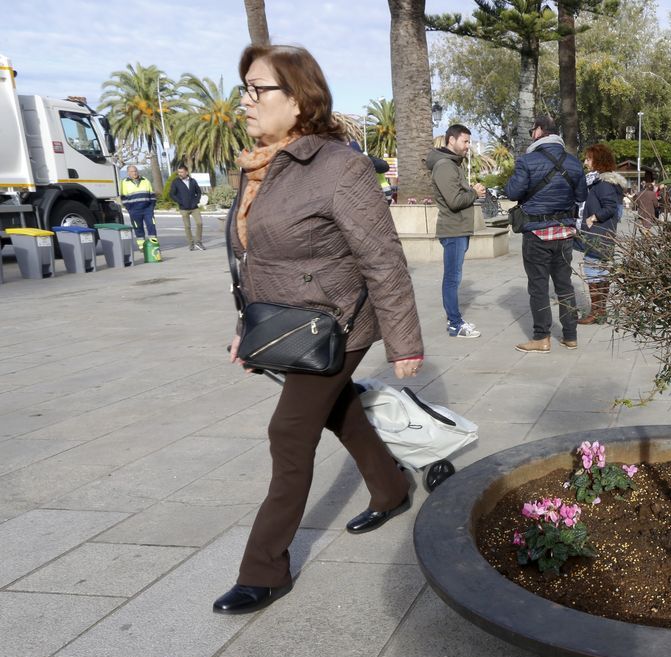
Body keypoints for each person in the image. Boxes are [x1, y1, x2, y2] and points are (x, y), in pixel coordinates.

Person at [215, 44, 424, 615]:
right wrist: (248, 330)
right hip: (287, 326)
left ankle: (265, 568)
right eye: (245, 90)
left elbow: (383, 258)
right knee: (338, 409)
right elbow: (253, 263)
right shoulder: (260, 166)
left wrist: (405, 342)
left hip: (337, 327)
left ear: (300, 99)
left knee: (289, 432)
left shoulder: (339, 167)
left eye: (260, 90)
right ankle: (391, 488)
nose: (247, 102)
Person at [505, 116, 587, 354]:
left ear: (539, 131)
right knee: (564, 285)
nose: (531, 133)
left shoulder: (527, 161)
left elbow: (512, 192)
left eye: (533, 130)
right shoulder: (574, 163)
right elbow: (581, 196)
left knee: (538, 286)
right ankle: (570, 336)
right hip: (564, 234)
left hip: (536, 234)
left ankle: (542, 337)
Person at [428, 123, 487, 338]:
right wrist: (474, 192)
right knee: (452, 278)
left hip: (459, 229)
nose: (468, 146)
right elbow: (454, 201)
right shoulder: (444, 166)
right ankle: (455, 324)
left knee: (454, 276)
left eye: (469, 142)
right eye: (465, 141)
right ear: (451, 140)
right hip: (452, 230)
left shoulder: (454, 164)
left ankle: (455, 321)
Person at [578, 143, 629, 325]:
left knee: (594, 273)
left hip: (597, 236)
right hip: (604, 235)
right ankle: (600, 312)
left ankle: (595, 312)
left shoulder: (604, 184)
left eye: (589, 158)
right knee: (601, 273)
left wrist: (593, 217)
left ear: (599, 160)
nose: (586, 162)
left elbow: (610, 208)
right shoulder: (607, 183)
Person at [169, 165, 205, 251]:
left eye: (181, 172)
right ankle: (191, 243)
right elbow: (172, 194)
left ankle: (198, 242)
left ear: (186, 172)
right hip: (183, 208)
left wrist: (196, 201)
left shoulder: (193, 181)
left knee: (199, 223)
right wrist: (180, 202)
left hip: (194, 207)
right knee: (187, 226)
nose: (179, 174)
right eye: (179, 172)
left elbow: (198, 192)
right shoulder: (176, 182)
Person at [120, 165, 157, 249]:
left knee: (151, 226)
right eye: (132, 171)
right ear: (128, 173)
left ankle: (154, 245)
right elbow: (123, 198)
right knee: (138, 228)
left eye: (136, 171)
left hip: (147, 209)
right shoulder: (123, 182)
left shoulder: (145, 180)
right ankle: (142, 246)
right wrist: (129, 208)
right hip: (134, 210)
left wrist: (151, 206)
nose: (135, 173)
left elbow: (152, 194)